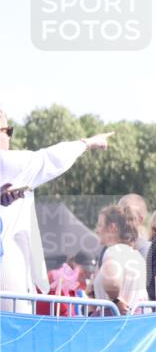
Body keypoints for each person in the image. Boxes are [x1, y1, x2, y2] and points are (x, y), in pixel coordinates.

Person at [0, 107, 114, 312]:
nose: (9, 138)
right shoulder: (8, 162)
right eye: (8, 131)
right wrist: (88, 142)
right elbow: (50, 159)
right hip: (7, 270)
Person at [93, 203, 147, 311]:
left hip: (114, 323)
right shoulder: (136, 256)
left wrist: (115, 301)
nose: (97, 230)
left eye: (99, 225)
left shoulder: (112, 251)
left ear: (112, 228)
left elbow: (112, 282)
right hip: (137, 322)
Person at [118, 193, 151, 259]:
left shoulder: (148, 251)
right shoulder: (111, 248)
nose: (125, 222)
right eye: (120, 217)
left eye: (130, 218)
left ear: (140, 220)